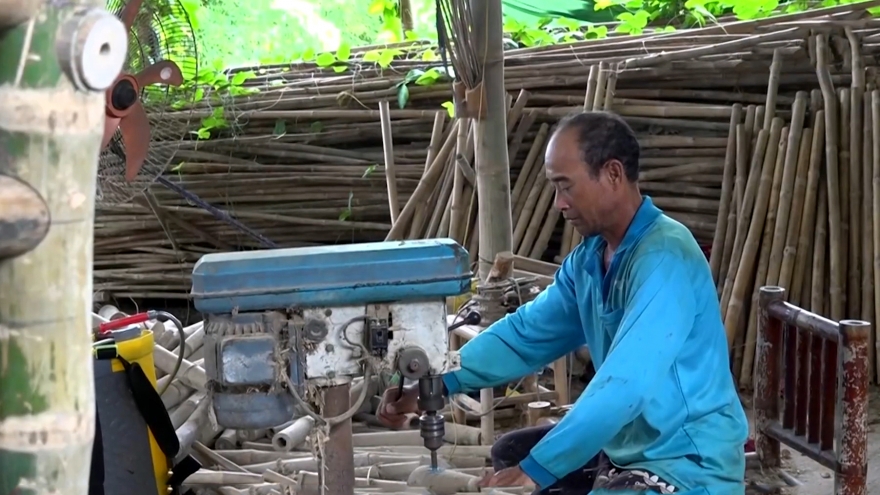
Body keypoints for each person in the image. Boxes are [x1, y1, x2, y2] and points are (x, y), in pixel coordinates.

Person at [377, 111, 748, 495]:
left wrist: (538, 469)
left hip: (686, 463)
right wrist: (433, 383)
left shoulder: (666, 256)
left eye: (565, 186)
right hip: (631, 446)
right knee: (511, 450)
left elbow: (625, 383)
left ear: (613, 174)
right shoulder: (590, 260)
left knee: (537, 469)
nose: (558, 203)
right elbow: (524, 337)